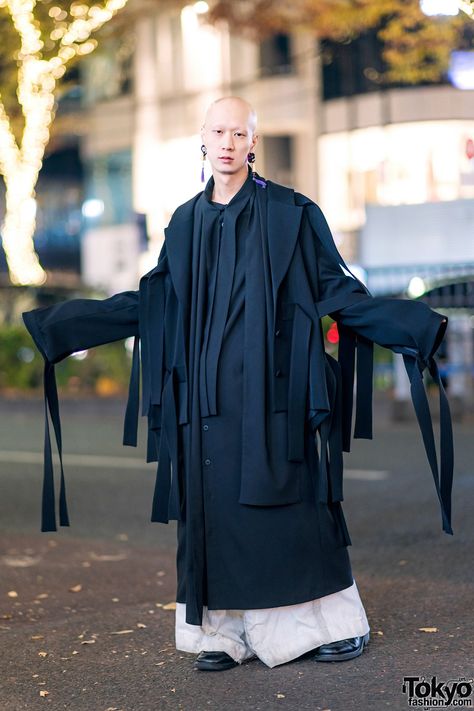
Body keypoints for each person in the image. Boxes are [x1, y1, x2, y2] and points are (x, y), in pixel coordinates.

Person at [23, 96, 453, 672]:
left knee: (293, 512)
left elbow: (338, 291)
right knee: (215, 513)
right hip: (202, 403)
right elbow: (156, 301)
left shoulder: (292, 213)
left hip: (278, 395)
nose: (228, 142)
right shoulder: (184, 221)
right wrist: (62, 328)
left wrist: (415, 328)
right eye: (217, 131)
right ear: (203, 140)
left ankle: (330, 627)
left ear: (255, 142)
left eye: (239, 133)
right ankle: (224, 634)